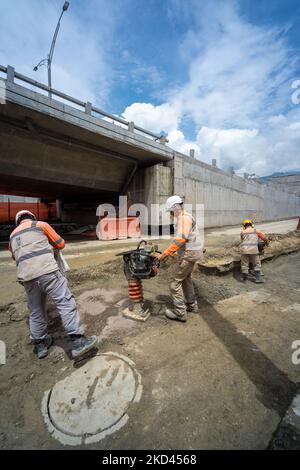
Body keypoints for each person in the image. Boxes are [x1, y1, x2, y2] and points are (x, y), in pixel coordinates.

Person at [9, 210, 97, 359]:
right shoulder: (41, 225)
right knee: (65, 302)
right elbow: (61, 244)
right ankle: (78, 341)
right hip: (47, 272)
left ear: (18, 221)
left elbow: (14, 256)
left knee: (35, 310)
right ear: (32, 217)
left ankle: (40, 345)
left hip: (27, 278)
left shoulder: (12, 236)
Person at [156, 196, 204, 322]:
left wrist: (164, 254)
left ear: (176, 207)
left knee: (174, 283)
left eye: (171, 211)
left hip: (189, 255)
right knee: (186, 279)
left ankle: (180, 312)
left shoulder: (183, 219)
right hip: (192, 253)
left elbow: (180, 239)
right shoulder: (185, 217)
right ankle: (192, 305)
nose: (171, 214)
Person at [240, 219, 269, 283]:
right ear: (251, 224)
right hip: (254, 250)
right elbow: (265, 239)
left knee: (244, 264)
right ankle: (258, 279)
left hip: (244, 250)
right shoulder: (256, 231)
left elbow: (242, 241)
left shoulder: (242, 232)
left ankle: (244, 279)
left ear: (244, 226)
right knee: (256, 264)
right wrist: (266, 243)